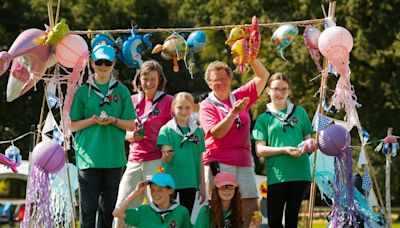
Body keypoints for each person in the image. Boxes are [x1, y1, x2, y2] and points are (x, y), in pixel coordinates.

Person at [70, 44, 136, 228]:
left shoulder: (122, 91)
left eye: (107, 62)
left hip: (114, 159)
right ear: (92, 62)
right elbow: (72, 126)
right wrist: (92, 121)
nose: (103, 65)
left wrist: (114, 120)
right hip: (88, 159)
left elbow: (131, 124)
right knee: (88, 210)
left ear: (114, 62)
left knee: (108, 211)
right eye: (99, 61)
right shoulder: (83, 91)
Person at [198, 59, 270, 227]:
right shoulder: (206, 105)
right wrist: (232, 113)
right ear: (209, 83)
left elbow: (263, 75)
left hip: (243, 160)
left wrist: (249, 57)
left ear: (230, 80)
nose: (221, 82)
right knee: (219, 206)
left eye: (224, 78)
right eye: (216, 79)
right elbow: (217, 133)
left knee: (251, 206)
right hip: (219, 159)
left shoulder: (239, 96)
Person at [115, 60, 173, 227]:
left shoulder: (168, 101)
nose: (149, 83)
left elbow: (174, 130)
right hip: (133, 161)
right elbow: (122, 130)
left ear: (160, 79)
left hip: (156, 161)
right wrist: (131, 135)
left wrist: (166, 147)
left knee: (158, 207)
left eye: (153, 79)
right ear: (139, 79)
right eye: (145, 78)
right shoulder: (132, 100)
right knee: (123, 204)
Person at [252, 72, 314, 228]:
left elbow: (308, 139)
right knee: (274, 220)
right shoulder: (263, 118)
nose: (279, 93)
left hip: (300, 173)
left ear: (289, 91)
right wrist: (284, 150)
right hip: (277, 175)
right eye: (275, 89)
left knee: (292, 220)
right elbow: (259, 149)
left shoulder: (300, 112)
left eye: (284, 89)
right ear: (268, 90)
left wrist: (311, 145)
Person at [157, 92, 206, 216]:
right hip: (170, 182)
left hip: (190, 181)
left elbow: (200, 159)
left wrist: (203, 186)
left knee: (185, 217)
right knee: (169, 218)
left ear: (193, 108)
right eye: (179, 107)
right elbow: (164, 160)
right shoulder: (166, 130)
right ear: (173, 108)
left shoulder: (198, 131)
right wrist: (167, 155)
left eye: (187, 107)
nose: (183, 111)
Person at [113, 172, 191, 228]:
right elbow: (117, 213)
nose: (155, 194)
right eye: (153, 190)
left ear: (170, 190)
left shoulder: (181, 211)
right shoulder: (143, 210)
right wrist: (135, 193)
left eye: (160, 190)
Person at [194, 172, 261, 228]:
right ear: (216, 190)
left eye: (230, 187)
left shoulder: (237, 212)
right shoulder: (205, 211)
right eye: (223, 187)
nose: (227, 190)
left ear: (236, 189)